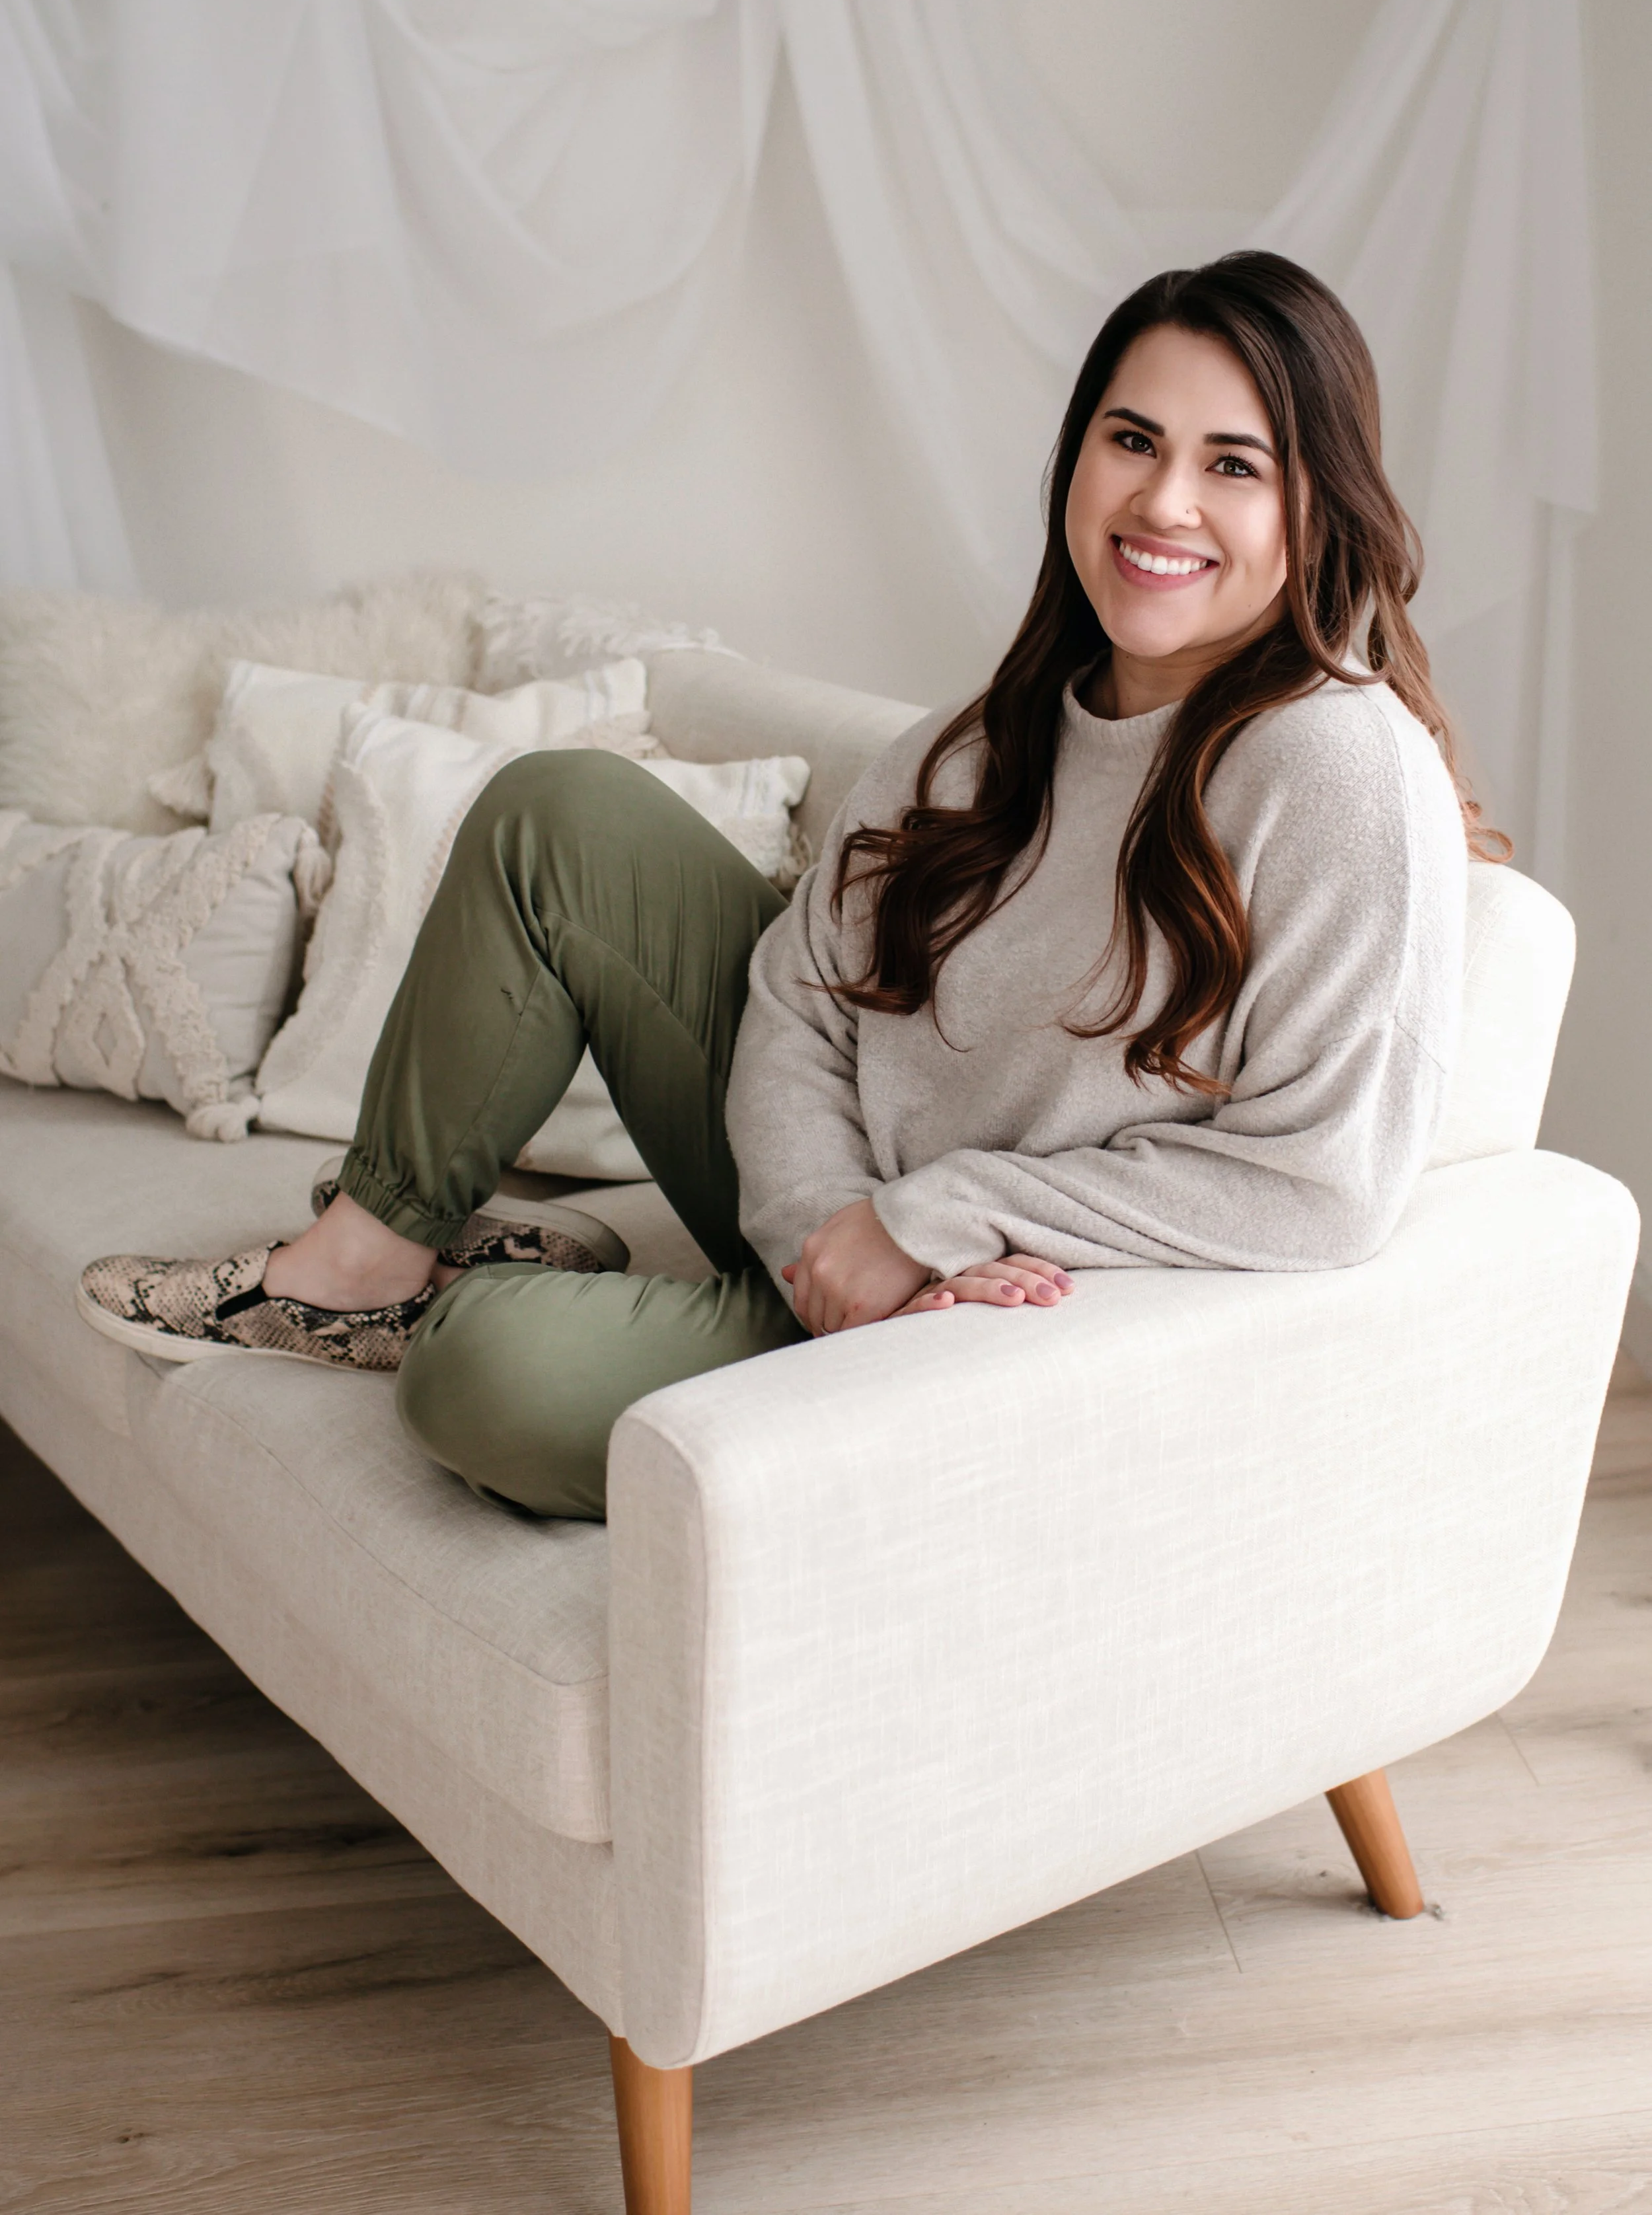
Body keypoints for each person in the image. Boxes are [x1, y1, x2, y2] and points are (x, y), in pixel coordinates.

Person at [78, 250, 1485, 1521]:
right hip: (838, 1250)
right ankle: (368, 1258)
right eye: (1131, 439)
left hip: (998, 1328)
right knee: (557, 809)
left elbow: (1323, 1184)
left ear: (1316, 506)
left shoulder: (1335, 763)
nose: (1162, 501)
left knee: (481, 1378)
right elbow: (798, 997)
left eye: (1231, 465)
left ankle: (498, 1295)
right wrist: (824, 1234)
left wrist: (927, 1230)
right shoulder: (990, 736)